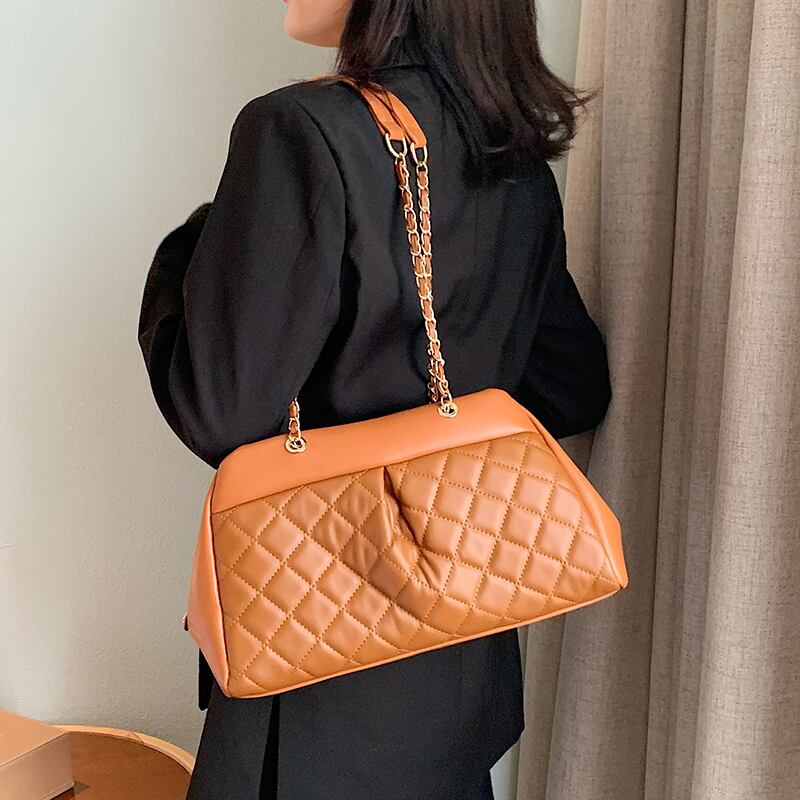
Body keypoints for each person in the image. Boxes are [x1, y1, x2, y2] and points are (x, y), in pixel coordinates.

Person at [137, 1, 612, 798]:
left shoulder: (299, 131)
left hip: (314, 666)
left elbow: (218, 407)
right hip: (457, 673)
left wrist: (189, 253)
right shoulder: (508, 153)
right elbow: (572, 385)